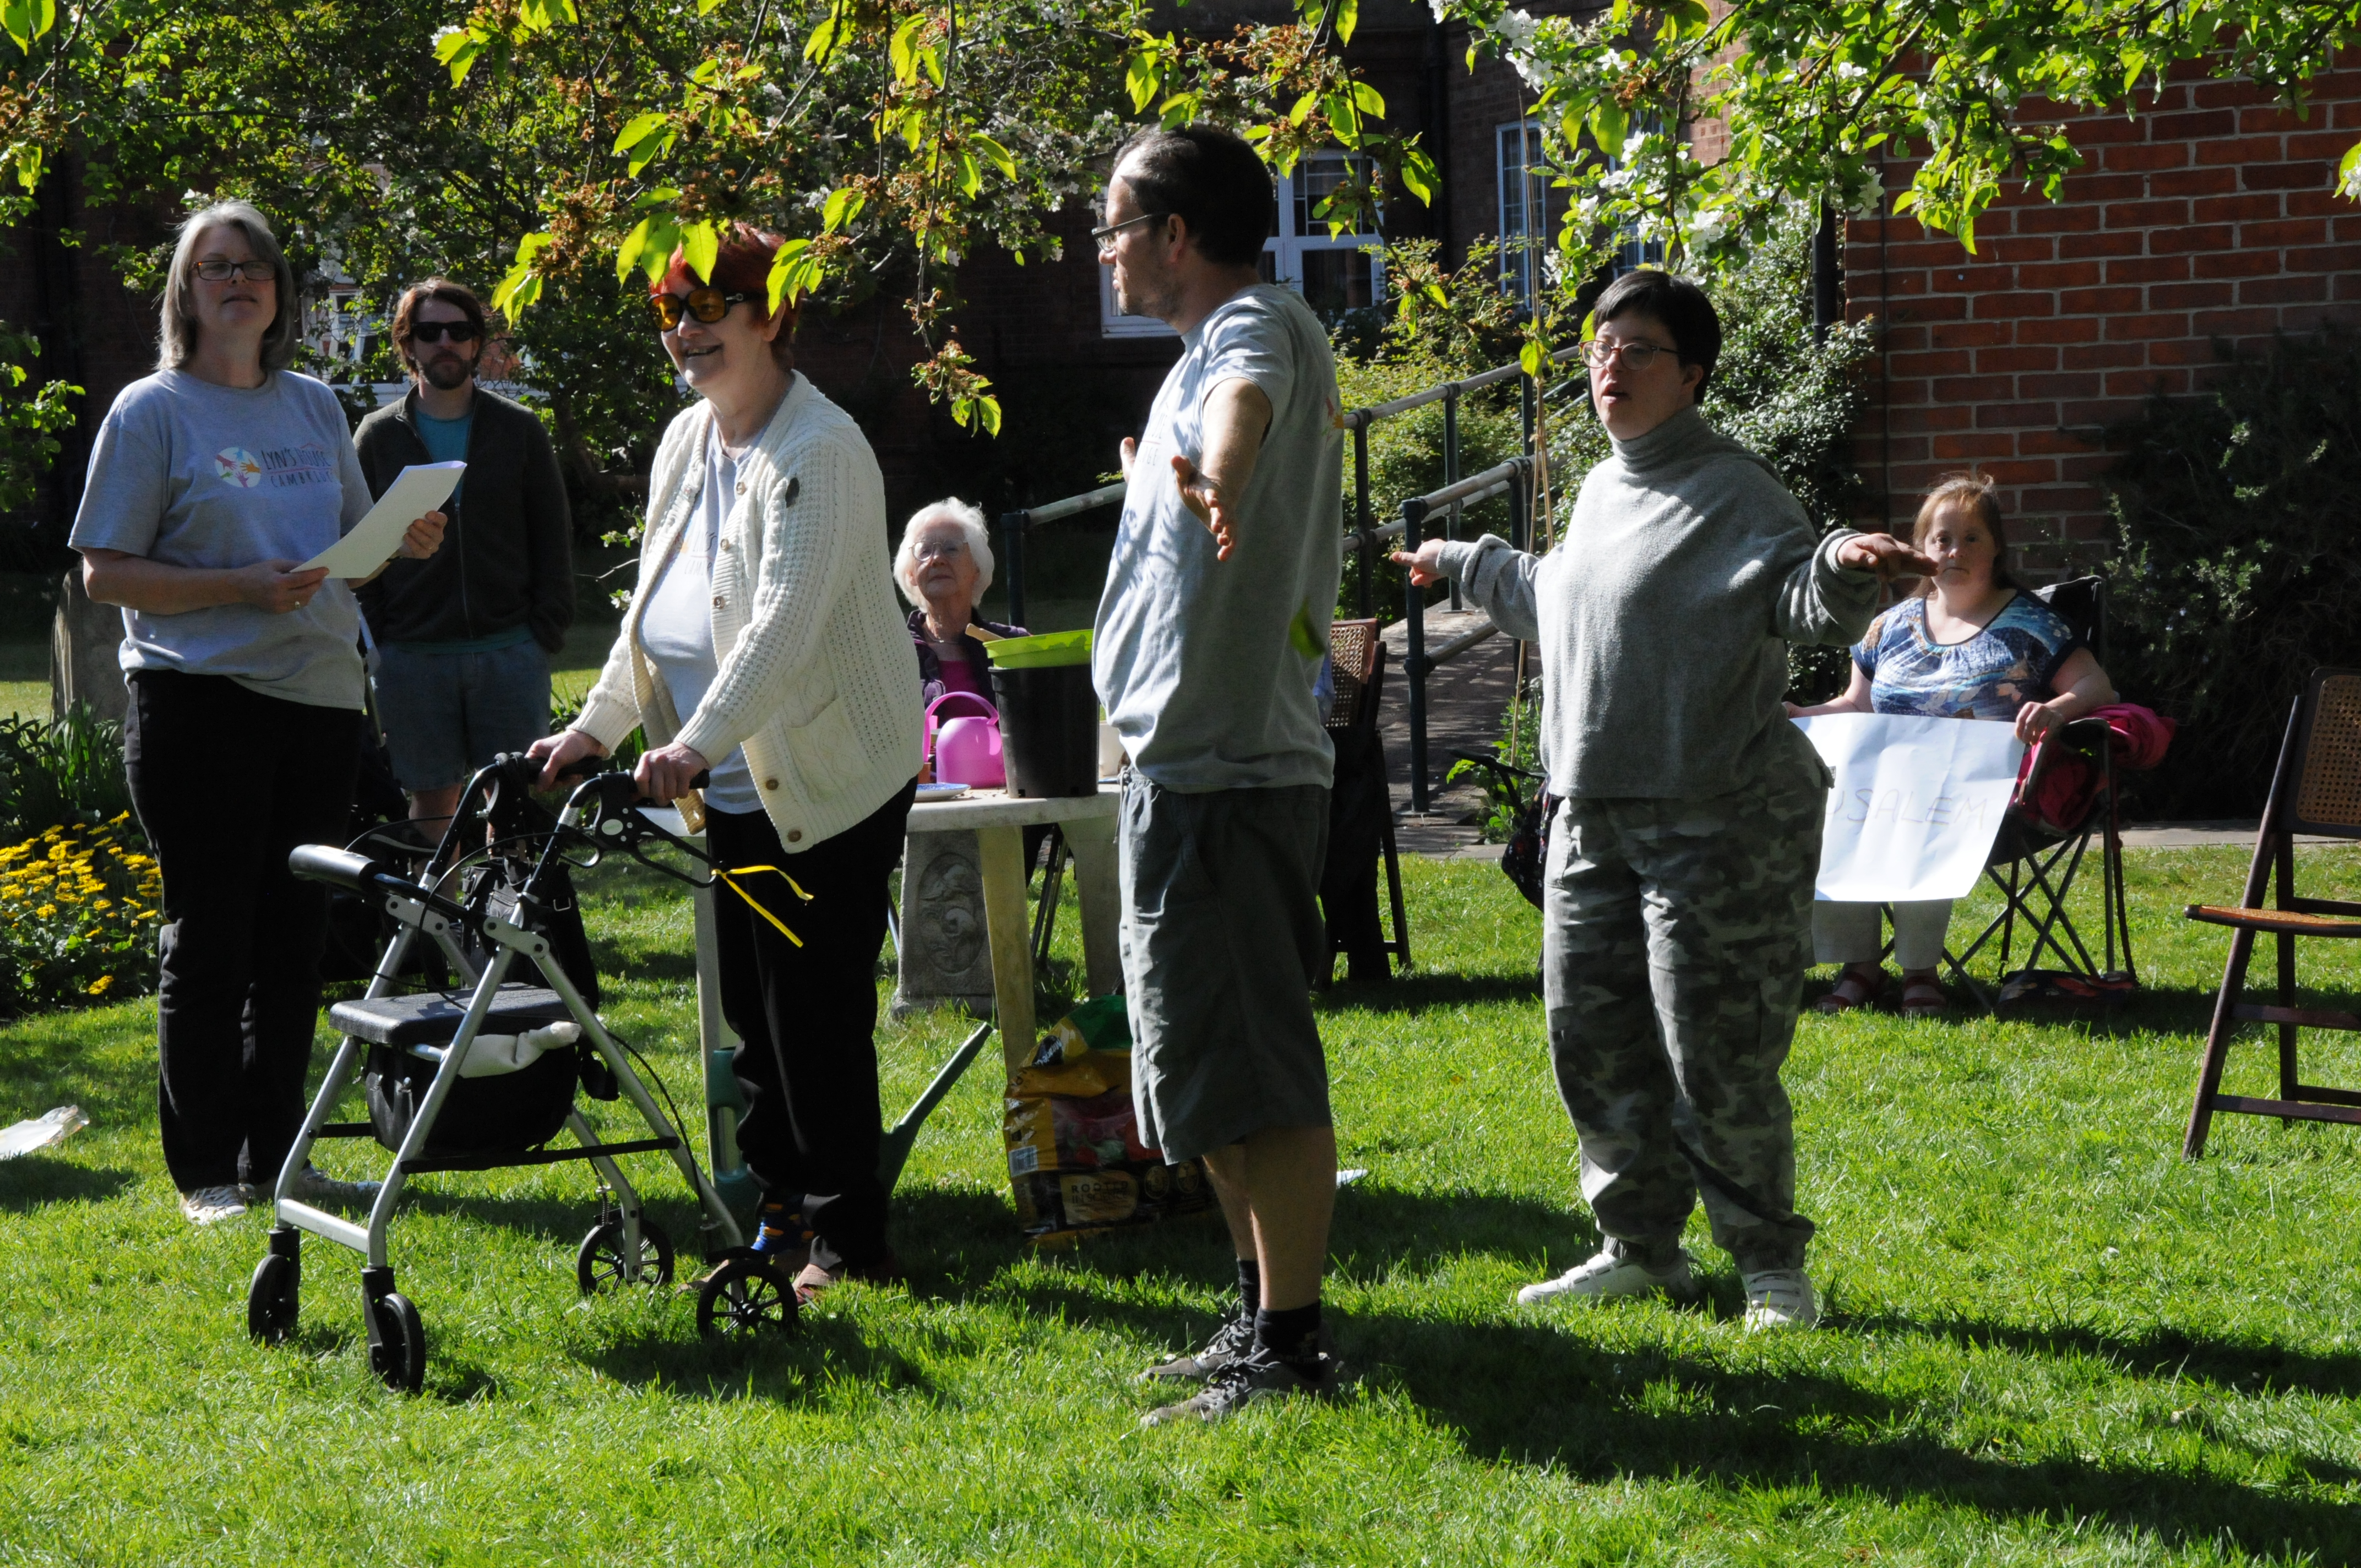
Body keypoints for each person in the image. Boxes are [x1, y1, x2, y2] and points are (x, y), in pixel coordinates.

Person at [1392, 269, 1934, 1331]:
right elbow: (1560, 597)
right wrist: (1459, 561)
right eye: (1600, 345)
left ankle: (1770, 1265)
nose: (1609, 365)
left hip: (1717, 817)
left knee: (1714, 1053)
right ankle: (1638, 1247)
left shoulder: (1736, 491)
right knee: (1591, 1044)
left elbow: (1802, 590)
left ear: (1690, 374)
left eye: (1637, 348)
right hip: (1590, 818)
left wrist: (1849, 563)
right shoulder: (1603, 488)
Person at [527, 224, 921, 1304]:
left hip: (834, 768)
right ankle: (781, 1218)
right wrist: (596, 729)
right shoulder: (687, 443)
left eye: (709, 307)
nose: (687, 333)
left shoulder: (820, 451)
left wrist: (695, 742)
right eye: (669, 312)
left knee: (813, 1009)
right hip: (736, 782)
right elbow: (652, 610)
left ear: (771, 314)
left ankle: (850, 1243)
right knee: (752, 1009)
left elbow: (783, 625)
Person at [69, 200, 445, 1226]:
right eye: (214, 267)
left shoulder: (314, 405)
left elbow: (340, 540)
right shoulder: (151, 411)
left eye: (256, 268)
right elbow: (106, 572)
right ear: (184, 295)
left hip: (322, 698)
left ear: (279, 292)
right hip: (201, 700)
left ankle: (282, 1157)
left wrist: (394, 540)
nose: (238, 281)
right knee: (211, 936)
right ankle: (204, 1171)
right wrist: (237, 584)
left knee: (296, 939)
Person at [1092, 125, 1348, 1424]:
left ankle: (1293, 1342)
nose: (1106, 251)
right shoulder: (1199, 357)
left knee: (1252, 1061)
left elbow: (1241, 407)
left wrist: (1221, 479)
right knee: (1200, 1064)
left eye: (1116, 227)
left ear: (1175, 236)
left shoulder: (1255, 334)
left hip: (1233, 770)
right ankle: (1257, 1312)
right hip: (1183, 764)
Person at [1788, 473, 2116, 1016]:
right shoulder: (1885, 628)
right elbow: (1855, 706)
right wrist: (1802, 714)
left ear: (1996, 549)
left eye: (1971, 538)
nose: (1954, 550)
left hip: (1982, 794)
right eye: (1941, 539)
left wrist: (2055, 710)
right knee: (1830, 802)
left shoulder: (2032, 623)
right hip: (1881, 789)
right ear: (1920, 552)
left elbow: (2096, 686)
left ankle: (1919, 971)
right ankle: (1858, 969)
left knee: (1918, 805)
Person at [356, 279, 574, 838]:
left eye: (460, 331)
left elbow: (552, 536)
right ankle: (439, 924)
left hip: (509, 652)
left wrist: (542, 632)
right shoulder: (378, 438)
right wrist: (382, 637)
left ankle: (510, 922)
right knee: (431, 807)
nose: (445, 343)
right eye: (429, 332)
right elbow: (358, 542)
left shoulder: (519, 430)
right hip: (412, 659)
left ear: (478, 344)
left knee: (513, 807)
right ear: (408, 346)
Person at [894, 497, 1024, 713]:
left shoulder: (1013, 645)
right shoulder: (892, 653)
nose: (936, 559)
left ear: (977, 569)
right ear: (911, 574)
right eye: (924, 551)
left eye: (951, 549)